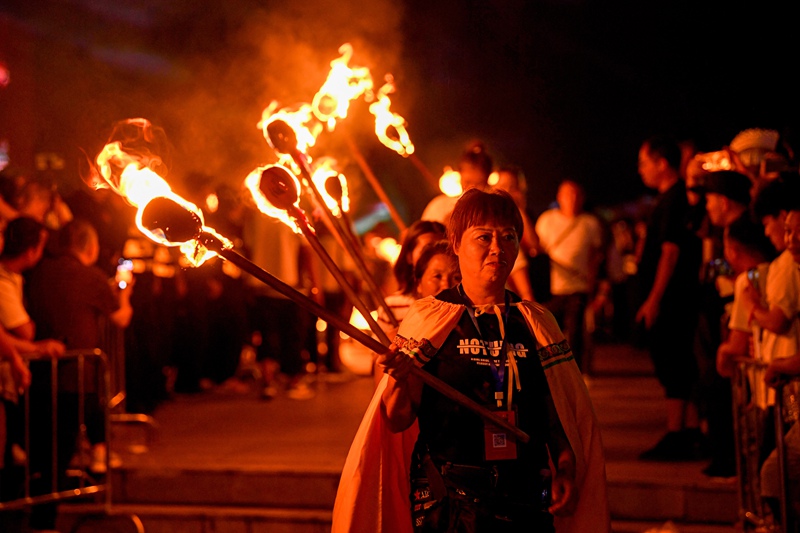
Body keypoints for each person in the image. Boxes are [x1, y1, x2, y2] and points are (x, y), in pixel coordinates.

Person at [332, 189, 609, 533]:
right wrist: (402, 380)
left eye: (508, 236)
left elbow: (558, 417)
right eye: (484, 237)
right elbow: (397, 418)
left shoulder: (537, 323)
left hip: (525, 499)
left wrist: (566, 469)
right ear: (456, 244)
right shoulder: (430, 318)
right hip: (450, 502)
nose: (497, 247)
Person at [635, 135, 705, 461]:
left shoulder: (673, 200)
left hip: (673, 299)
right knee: (678, 363)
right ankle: (689, 431)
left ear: (662, 164)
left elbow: (670, 251)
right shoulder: (672, 199)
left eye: (644, 163)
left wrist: (654, 298)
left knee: (673, 362)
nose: (641, 171)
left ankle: (678, 433)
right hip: (673, 297)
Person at [534, 180, 603, 373]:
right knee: (547, 328)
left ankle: (576, 371)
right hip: (552, 287)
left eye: (576, 195)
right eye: (567, 194)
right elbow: (538, 250)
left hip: (577, 286)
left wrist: (592, 282)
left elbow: (594, 256)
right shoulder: (547, 220)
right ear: (559, 197)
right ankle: (549, 368)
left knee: (575, 332)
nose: (572, 199)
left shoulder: (590, 223)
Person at [377, 220, 447, 335]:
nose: (435, 258)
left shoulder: (460, 304)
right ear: (409, 256)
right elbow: (378, 351)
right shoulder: (391, 308)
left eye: (442, 249)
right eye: (426, 251)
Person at [420, 141, 493, 226]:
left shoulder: (493, 210)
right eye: (468, 182)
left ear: (487, 180)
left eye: (478, 184)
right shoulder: (439, 207)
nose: (472, 188)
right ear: (460, 177)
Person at [492, 165, 536, 302]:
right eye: (504, 186)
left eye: (513, 187)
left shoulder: (523, 216)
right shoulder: (489, 214)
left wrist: (520, 209)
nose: (508, 191)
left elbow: (534, 246)